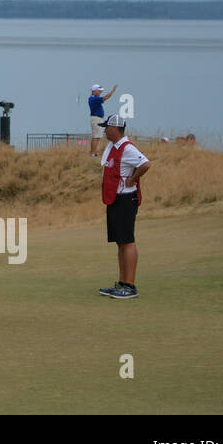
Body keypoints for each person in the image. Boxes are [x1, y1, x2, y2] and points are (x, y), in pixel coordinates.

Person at [98, 114, 150, 300]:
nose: (104, 130)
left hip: (126, 200)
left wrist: (133, 179)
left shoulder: (127, 148)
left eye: (106, 127)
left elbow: (145, 164)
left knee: (127, 241)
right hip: (115, 199)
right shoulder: (112, 147)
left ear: (115, 129)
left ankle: (130, 285)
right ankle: (122, 283)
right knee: (121, 242)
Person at [88, 83, 118, 155]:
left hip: (96, 118)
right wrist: (113, 91)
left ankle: (93, 153)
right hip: (96, 118)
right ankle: (93, 153)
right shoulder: (94, 98)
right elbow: (105, 98)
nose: (100, 92)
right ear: (94, 91)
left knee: (96, 136)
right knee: (96, 136)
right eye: (99, 91)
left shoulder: (93, 98)